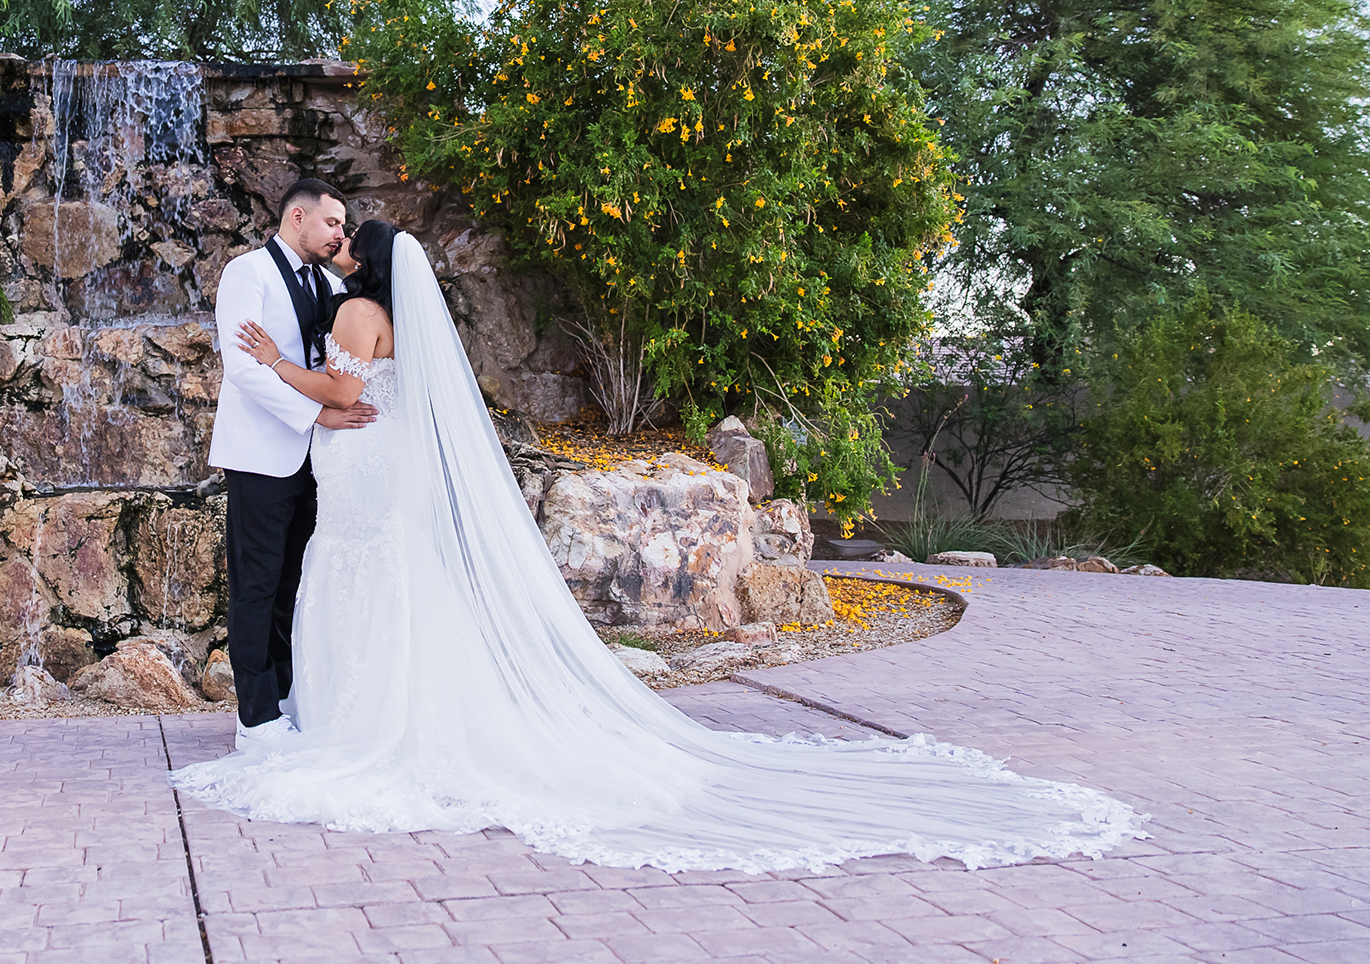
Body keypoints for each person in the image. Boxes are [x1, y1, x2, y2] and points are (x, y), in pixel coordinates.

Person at [176, 223, 1147, 874]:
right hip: (385, 467)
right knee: (388, 576)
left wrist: (270, 365)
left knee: (355, 572)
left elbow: (344, 400)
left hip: (360, 465)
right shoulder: (400, 322)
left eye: (352, 248)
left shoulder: (352, 314)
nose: (339, 255)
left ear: (371, 267)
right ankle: (376, 718)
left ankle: (359, 730)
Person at [206, 178, 376, 751]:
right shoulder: (246, 272)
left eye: (344, 227)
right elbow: (243, 366)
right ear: (297, 217)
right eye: (333, 223)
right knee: (255, 584)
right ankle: (254, 718)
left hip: (319, 464)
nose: (340, 234)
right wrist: (317, 416)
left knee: (293, 586)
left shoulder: (331, 282)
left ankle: (284, 700)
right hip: (261, 453)